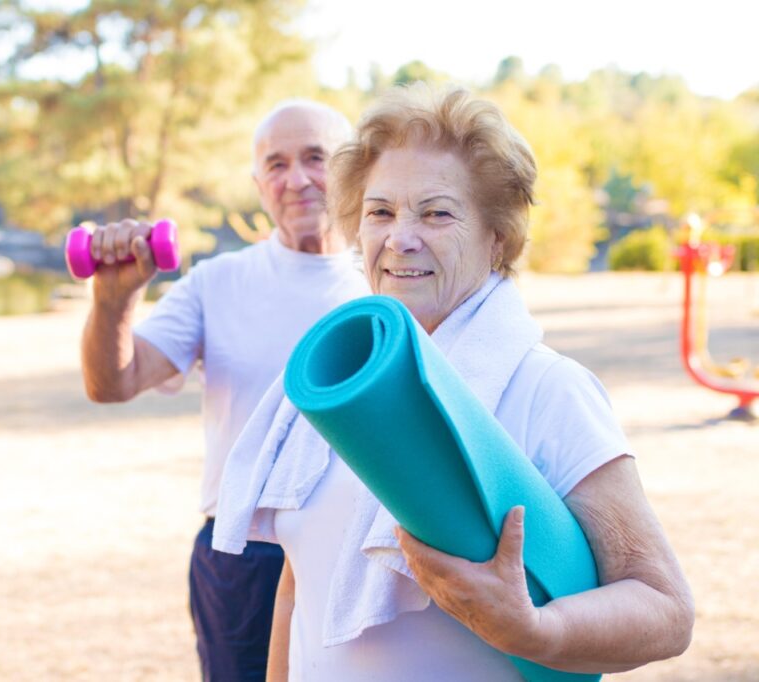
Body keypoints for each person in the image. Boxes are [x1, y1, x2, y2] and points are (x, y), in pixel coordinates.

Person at [212, 84, 694, 681]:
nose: (400, 237)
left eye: (436, 212)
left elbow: (667, 610)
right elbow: (300, 592)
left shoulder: (547, 390)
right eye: (380, 211)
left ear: (498, 238)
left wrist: (536, 630)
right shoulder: (331, 388)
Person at [80, 100, 371, 680]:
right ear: (258, 183)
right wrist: (113, 300)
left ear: (351, 169)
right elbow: (113, 382)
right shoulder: (216, 283)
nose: (297, 179)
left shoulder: (391, 281)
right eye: (276, 164)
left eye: (316, 158)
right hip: (243, 556)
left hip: (357, 552)